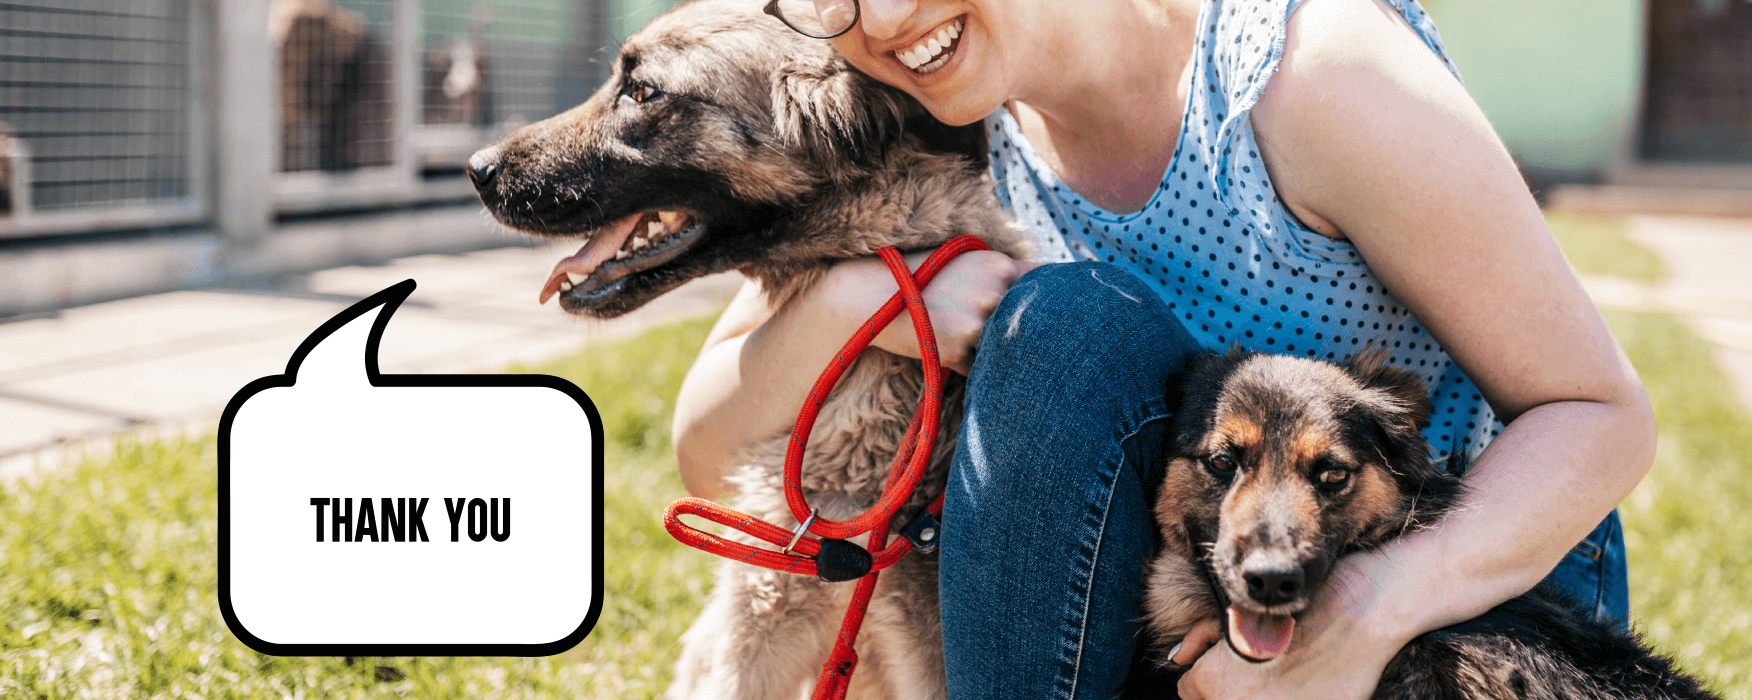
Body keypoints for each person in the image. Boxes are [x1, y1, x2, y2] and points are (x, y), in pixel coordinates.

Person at [671, 0, 1656, 698]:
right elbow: (706, 449)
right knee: (1063, 325)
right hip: (1195, 604)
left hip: (1451, 592)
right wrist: (868, 296)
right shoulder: (948, 109)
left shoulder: (1310, 76)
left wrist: (1364, 618)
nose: (879, 20)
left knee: (1058, 320)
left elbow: (1596, 414)